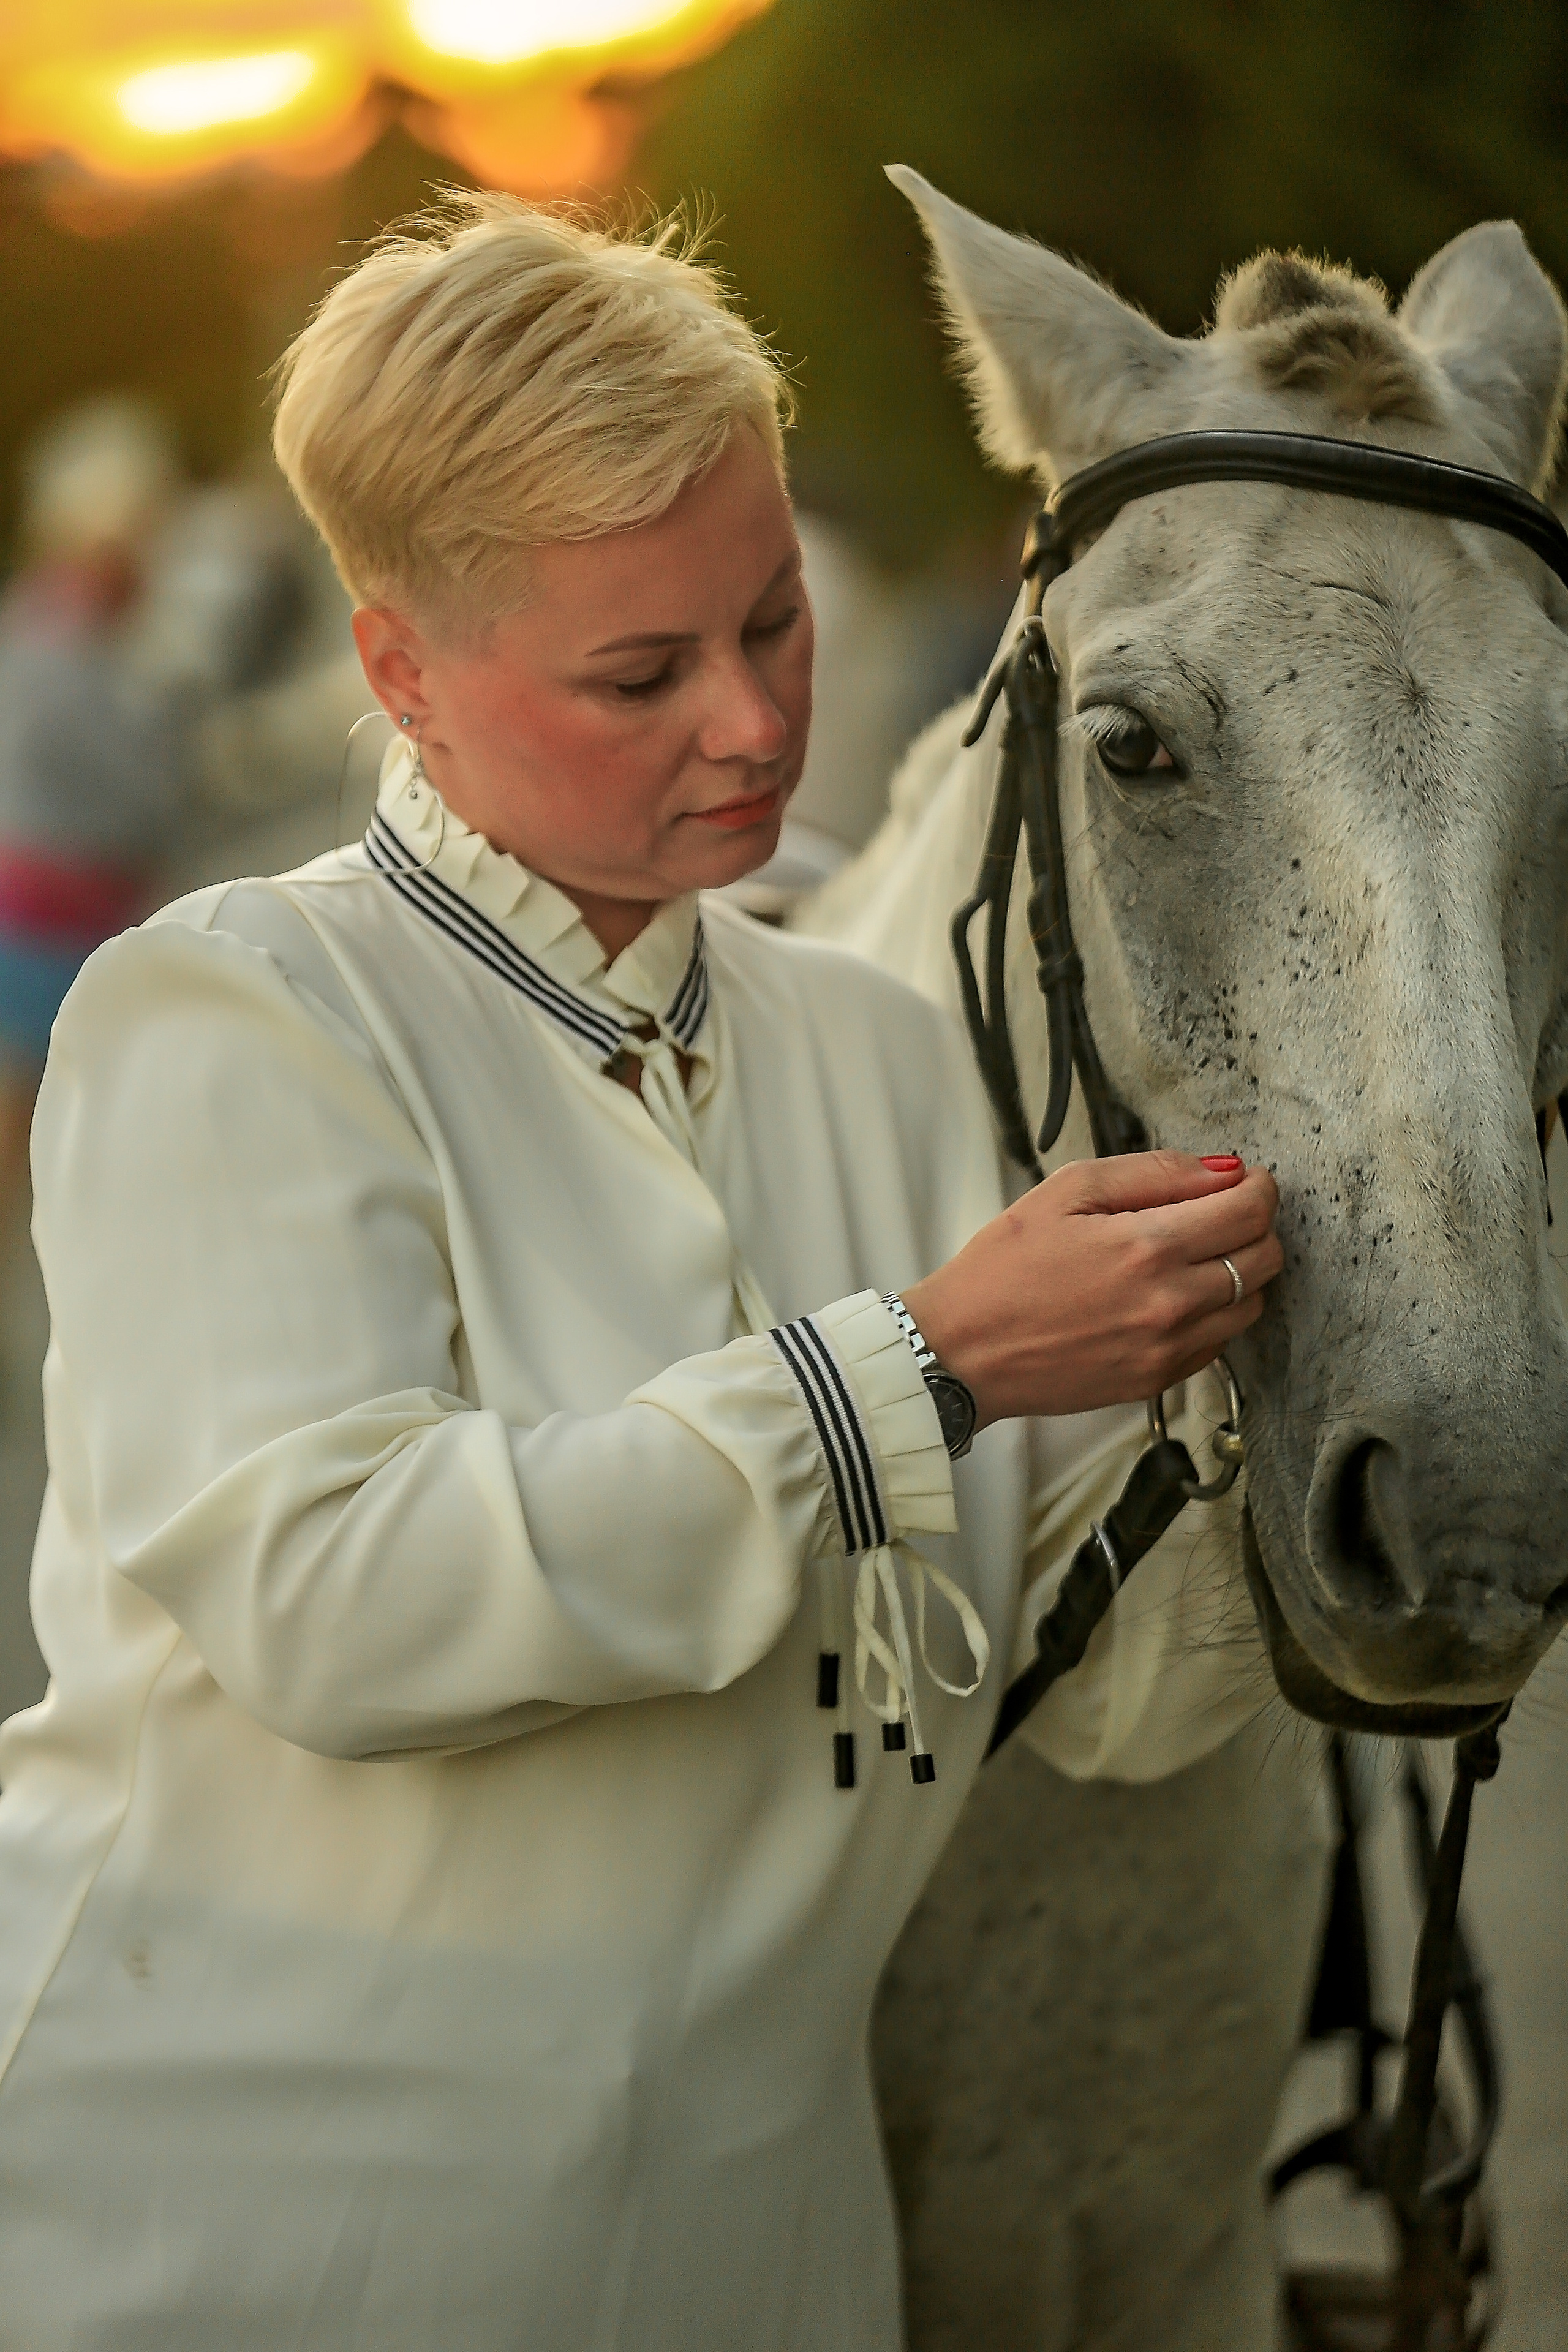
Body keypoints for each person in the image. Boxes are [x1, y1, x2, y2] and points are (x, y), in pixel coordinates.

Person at [0, 196, 1283, 2350]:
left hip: (764, 2265)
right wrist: (931, 1367)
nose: (754, 724)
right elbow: (341, 1602)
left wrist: (1265, 1373)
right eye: (641, 671)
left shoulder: (880, 1053)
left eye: (775, 622)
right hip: (236, 2245)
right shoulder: (239, 1013)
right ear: (397, 662)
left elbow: (1114, 1687)